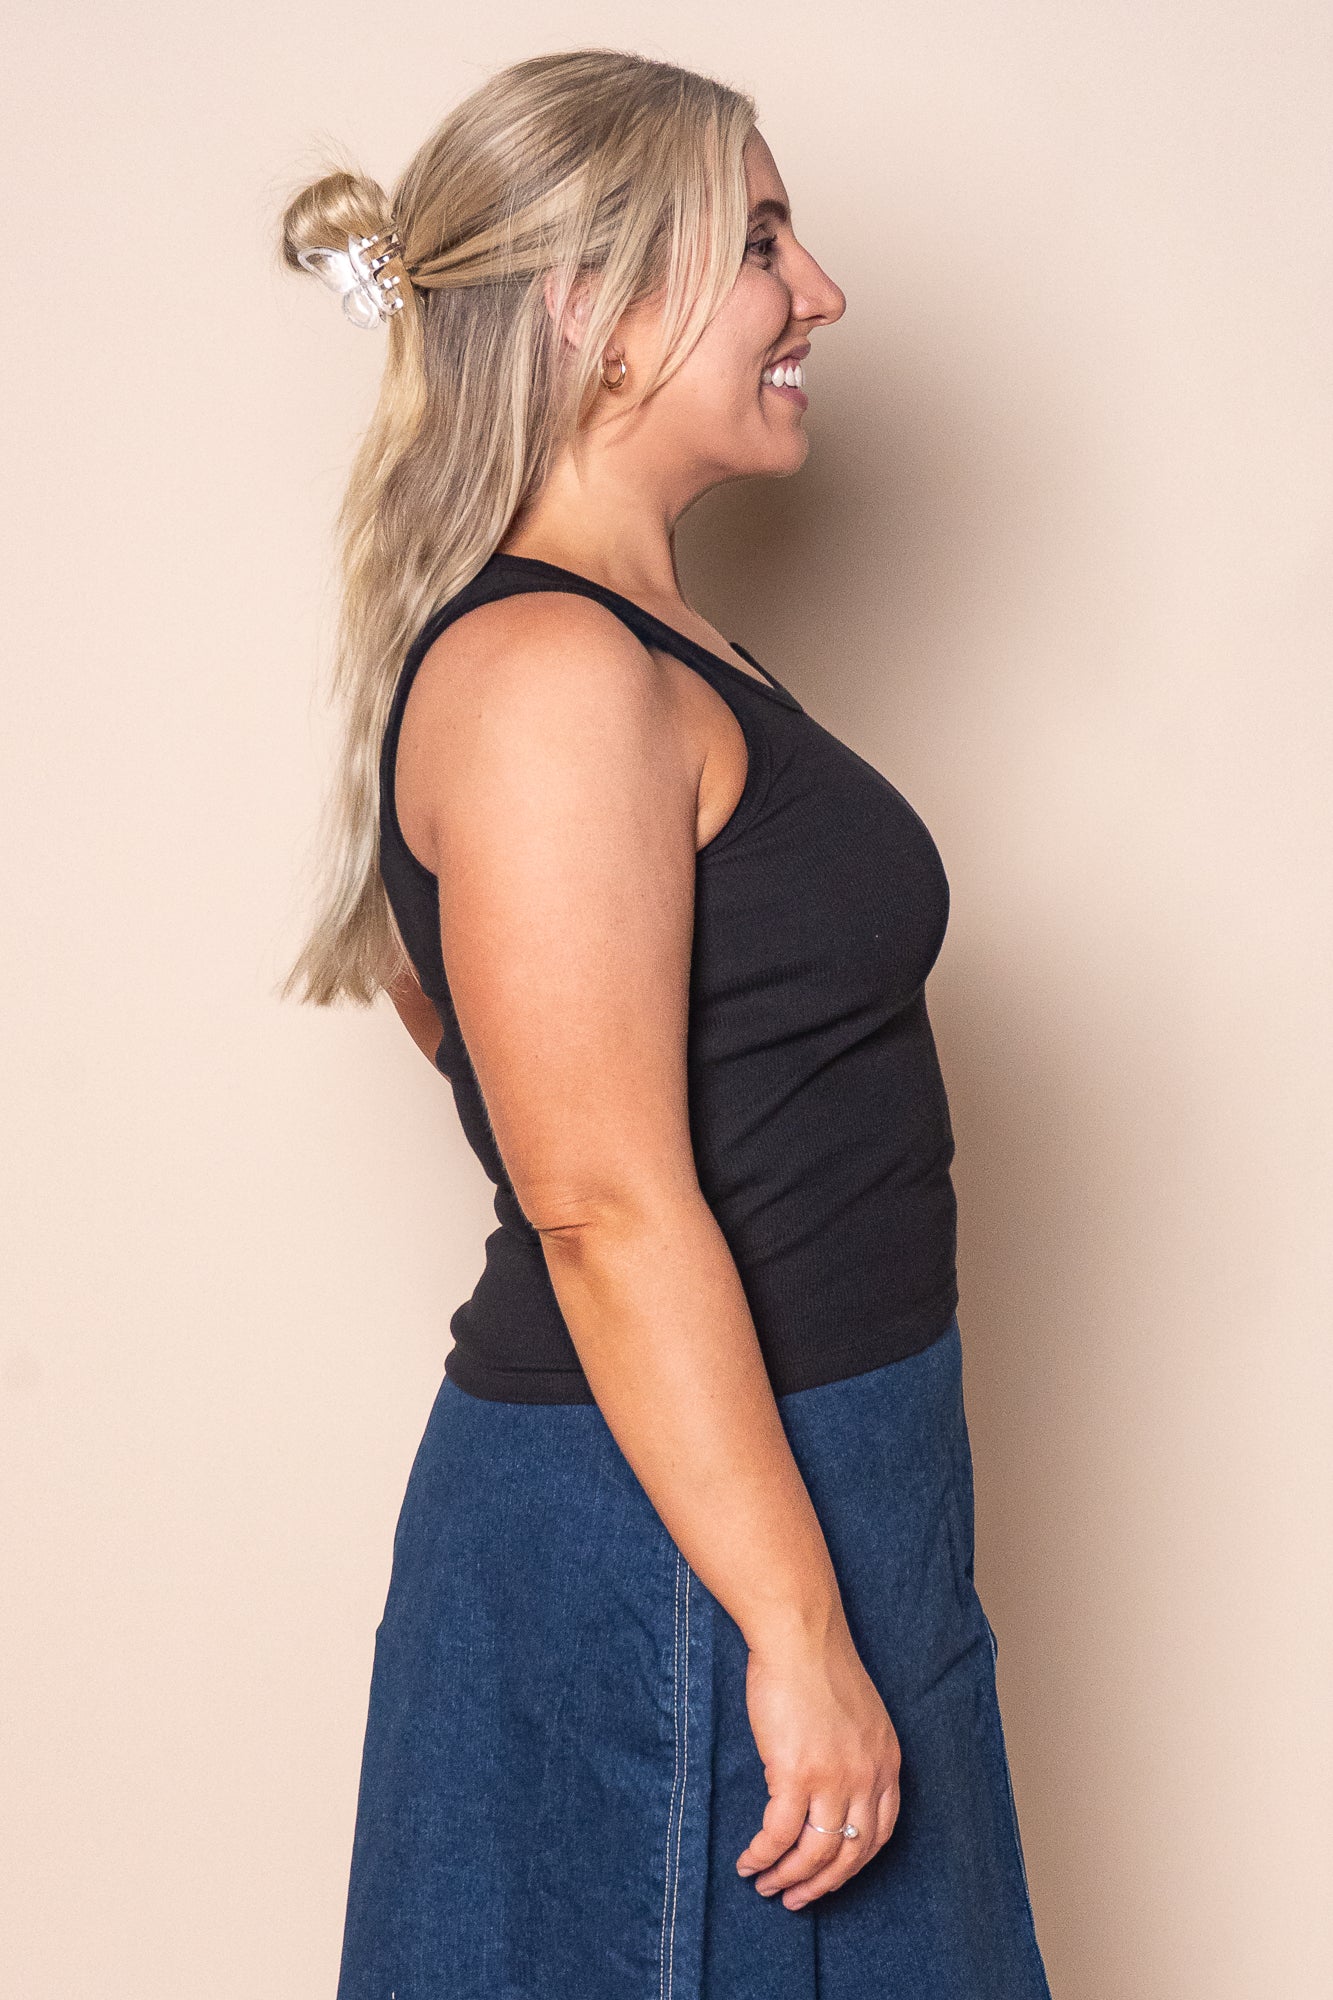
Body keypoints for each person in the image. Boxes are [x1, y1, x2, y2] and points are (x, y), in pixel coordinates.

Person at [280, 47, 1053, 2000]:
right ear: (592, 314)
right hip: (683, 1537)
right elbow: (601, 1201)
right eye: (762, 242)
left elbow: (497, 1018)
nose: (821, 293)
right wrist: (788, 1624)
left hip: (809, 1482)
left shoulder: (643, 644)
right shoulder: (550, 666)